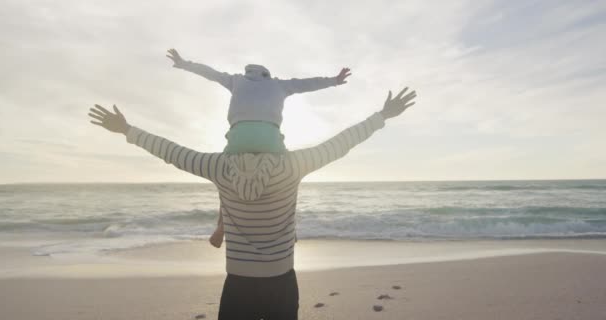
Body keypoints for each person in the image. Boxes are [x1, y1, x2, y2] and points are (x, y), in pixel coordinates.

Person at [88, 87, 416, 320]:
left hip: (239, 282)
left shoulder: (218, 166)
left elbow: (171, 152)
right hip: (281, 279)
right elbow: (342, 143)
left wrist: (127, 130)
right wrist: (383, 115)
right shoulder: (292, 166)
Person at [166, 48, 352, 248]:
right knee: (289, 177)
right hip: (270, 143)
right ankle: (292, 229)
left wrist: (184, 64)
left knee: (225, 180)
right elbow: (306, 84)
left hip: (238, 141)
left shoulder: (236, 81)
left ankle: (221, 227)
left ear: (248, 72)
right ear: (267, 74)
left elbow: (210, 73)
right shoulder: (278, 85)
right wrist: (334, 80)